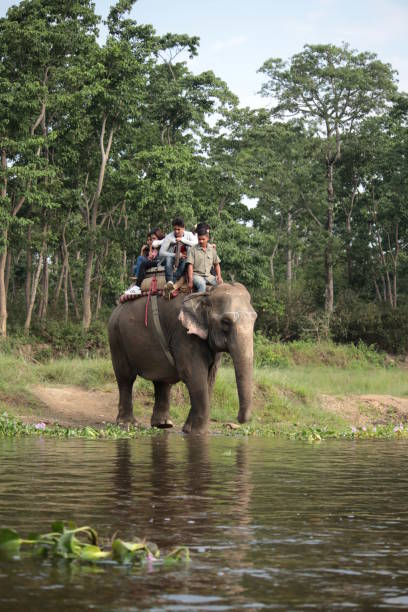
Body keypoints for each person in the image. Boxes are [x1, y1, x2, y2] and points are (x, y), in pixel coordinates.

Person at [159, 217, 198, 290]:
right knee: (168, 258)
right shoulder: (169, 237)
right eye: (174, 229)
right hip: (171, 260)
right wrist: (175, 255)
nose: (176, 231)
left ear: (183, 228)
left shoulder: (189, 235)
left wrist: (182, 240)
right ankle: (169, 281)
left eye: (178, 229)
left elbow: (196, 244)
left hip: (184, 260)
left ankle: (173, 282)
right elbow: (161, 253)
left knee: (186, 261)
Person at [186, 225, 223, 293]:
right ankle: (200, 302)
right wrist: (190, 281)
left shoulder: (212, 249)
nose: (201, 241)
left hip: (208, 276)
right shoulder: (193, 249)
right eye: (199, 239)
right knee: (202, 285)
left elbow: (216, 264)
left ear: (207, 238)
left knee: (221, 285)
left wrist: (219, 277)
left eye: (203, 239)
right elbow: (190, 266)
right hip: (197, 276)